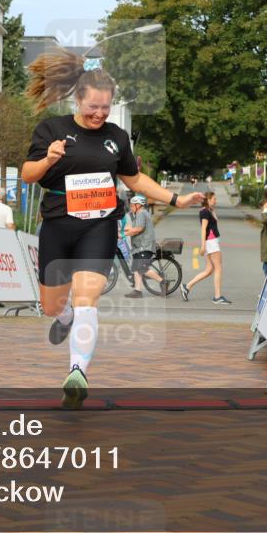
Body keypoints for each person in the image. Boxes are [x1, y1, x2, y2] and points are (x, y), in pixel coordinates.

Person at [22, 48, 203, 409]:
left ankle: (77, 373)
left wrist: (175, 199)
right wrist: (48, 159)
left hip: (100, 225)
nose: (100, 114)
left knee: (88, 297)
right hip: (58, 223)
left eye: (106, 108)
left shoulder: (117, 137)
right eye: (93, 108)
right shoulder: (52, 130)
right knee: (51, 305)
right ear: (78, 99)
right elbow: (28, 175)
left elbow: (134, 180)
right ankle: (65, 316)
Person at [180, 191, 230, 304]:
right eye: (214, 199)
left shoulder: (209, 211)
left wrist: (212, 211)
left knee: (209, 270)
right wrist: (203, 245)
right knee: (218, 268)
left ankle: (186, 286)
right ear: (208, 200)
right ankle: (217, 297)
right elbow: (203, 229)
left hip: (212, 241)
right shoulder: (205, 212)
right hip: (211, 242)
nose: (215, 201)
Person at [123, 195, 166, 298]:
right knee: (136, 268)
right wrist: (122, 232)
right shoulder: (138, 214)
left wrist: (124, 234)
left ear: (138, 205)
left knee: (142, 268)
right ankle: (137, 290)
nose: (131, 207)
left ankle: (163, 281)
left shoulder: (141, 213)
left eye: (132, 205)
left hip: (144, 246)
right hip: (139, 247)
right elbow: (131, 227)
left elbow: (139, 229)